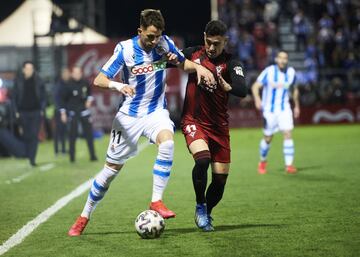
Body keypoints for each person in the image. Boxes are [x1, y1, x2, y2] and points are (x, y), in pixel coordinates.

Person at [68, 9, 215, 236]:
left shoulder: (164, 44)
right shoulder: (125, 49)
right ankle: (84, 216)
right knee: (110, 172)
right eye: (150, 36)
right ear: (140, 31)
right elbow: (99, 79)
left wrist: (197, 68)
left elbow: (184, 64)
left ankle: (156, 201)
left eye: (157, 36)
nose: (154, 41)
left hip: (156, 111)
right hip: (129, 116)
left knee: (167, 143)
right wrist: (119, 86)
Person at [180, 20, 247, 232]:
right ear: (204, 38)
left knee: (219, 181)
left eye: (216, 44)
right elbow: (169, 57)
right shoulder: (193, 54)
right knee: (202, 160)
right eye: (208, 42)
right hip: (194, 120)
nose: (211, 47)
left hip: (219, 127)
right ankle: (200, 206)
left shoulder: (232, 62)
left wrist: (229, 86)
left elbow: (242, 88)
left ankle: (206, 212)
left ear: (225, 41)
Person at [251, 50, 300, 174]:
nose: (283, 60)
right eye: (281, 58)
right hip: (269, 111)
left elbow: (294, 89)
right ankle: (262, 161)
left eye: (285, 58)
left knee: (288, 133)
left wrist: (297, 106)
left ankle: (289, 165)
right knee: (268, 138)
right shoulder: (269, 71)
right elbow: (255, 86)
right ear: (276, 59)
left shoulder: (291, 72)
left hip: (284, 109)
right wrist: (257, 99)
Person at [60, 66, 97, 163]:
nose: (77, 75)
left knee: (89, 135)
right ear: (72, 74)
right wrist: (63, 113)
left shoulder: (85, 82)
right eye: (75, 73)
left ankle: (93, 156)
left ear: (81, 73)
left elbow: (90, 94)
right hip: (73, 113)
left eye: (78, 73)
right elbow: (62, 100)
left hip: (84, 112)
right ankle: (72, 157)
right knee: (72, 136)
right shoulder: (68, 85)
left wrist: (89, 101)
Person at [13, 61, 46, 166]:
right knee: (26, 135)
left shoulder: (39, 80)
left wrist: (42, 109)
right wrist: (16, 111)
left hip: (36, 112)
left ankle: (32, 158)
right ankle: (28, 153)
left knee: (34, 135)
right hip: (23, 112)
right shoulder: (18, 81)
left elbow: (44, 96)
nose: (29, 70)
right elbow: (14, 97)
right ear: (23, 69)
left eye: (31, 68)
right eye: (27, 68)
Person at [53, 68, 70, 155]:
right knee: (58, 131)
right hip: (59, 111)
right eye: (65, 73)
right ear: (62, 75)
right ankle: (57, 150)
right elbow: (57, 100)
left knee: (64, 131)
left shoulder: (68, 84)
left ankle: (63, 149)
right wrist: (62, 111)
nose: (67, 75)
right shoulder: (59, 85)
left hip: (66, 111)